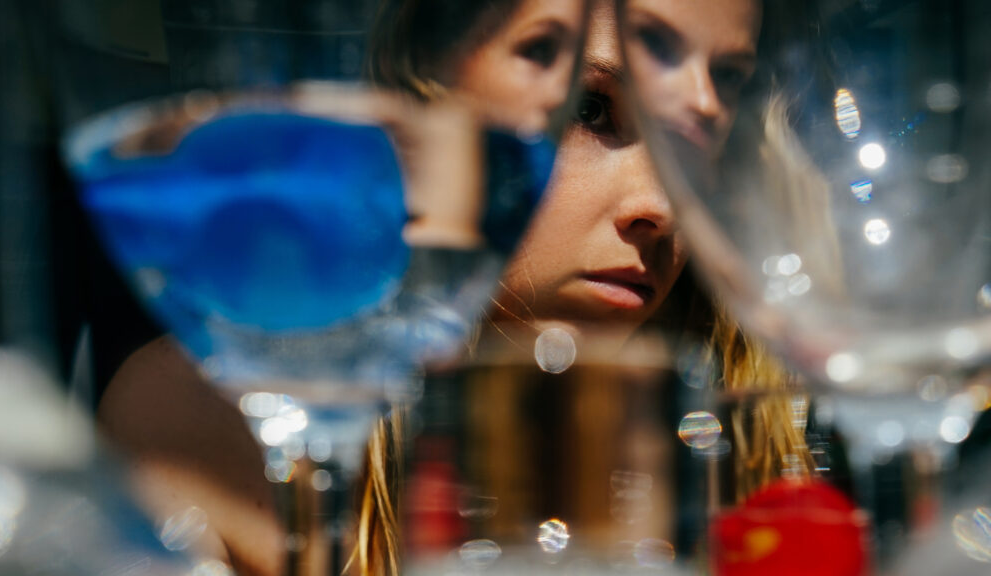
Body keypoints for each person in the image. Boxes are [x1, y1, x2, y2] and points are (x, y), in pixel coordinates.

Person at [97, 0, 817, 574]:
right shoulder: (223, 414)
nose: (660, 205)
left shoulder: (766, 440)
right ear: (422, 88)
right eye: (588, 109)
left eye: (698, 134)